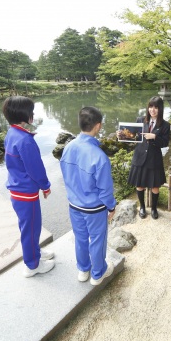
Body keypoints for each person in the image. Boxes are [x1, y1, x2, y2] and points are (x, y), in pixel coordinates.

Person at [60, 106, 117, 285]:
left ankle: (83, 269)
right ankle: (98, 273)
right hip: (94, 208)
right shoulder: (99, 156)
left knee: (81, 238)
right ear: (98, 126)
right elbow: (105, 189)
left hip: (74, 204)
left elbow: (66, 175)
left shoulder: (68, 148)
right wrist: (112, 206)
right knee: (98, 240)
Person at [2, 96, 54, 278]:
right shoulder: (25, 140)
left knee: (31, 227)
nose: (33, 114)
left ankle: (35, 252)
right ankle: (32, 265)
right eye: (31, 111)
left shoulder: (12, 133)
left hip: (18, 189)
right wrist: (45, 185)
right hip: (25, 192)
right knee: (31, 228)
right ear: (25, 114)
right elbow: (35, 168)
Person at [122, 96, 170, 220]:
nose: (152, 110)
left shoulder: (165, 125)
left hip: (154, 158)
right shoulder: (140, 120)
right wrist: (121, 134)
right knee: (140, 185)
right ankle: (142, 207)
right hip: (139, 156)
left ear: (160, 109)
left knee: (155, 186)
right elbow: (133, 137)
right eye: (150, 106)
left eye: (156, 107)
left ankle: (154, 208)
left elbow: (165, 143)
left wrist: (154, 137)